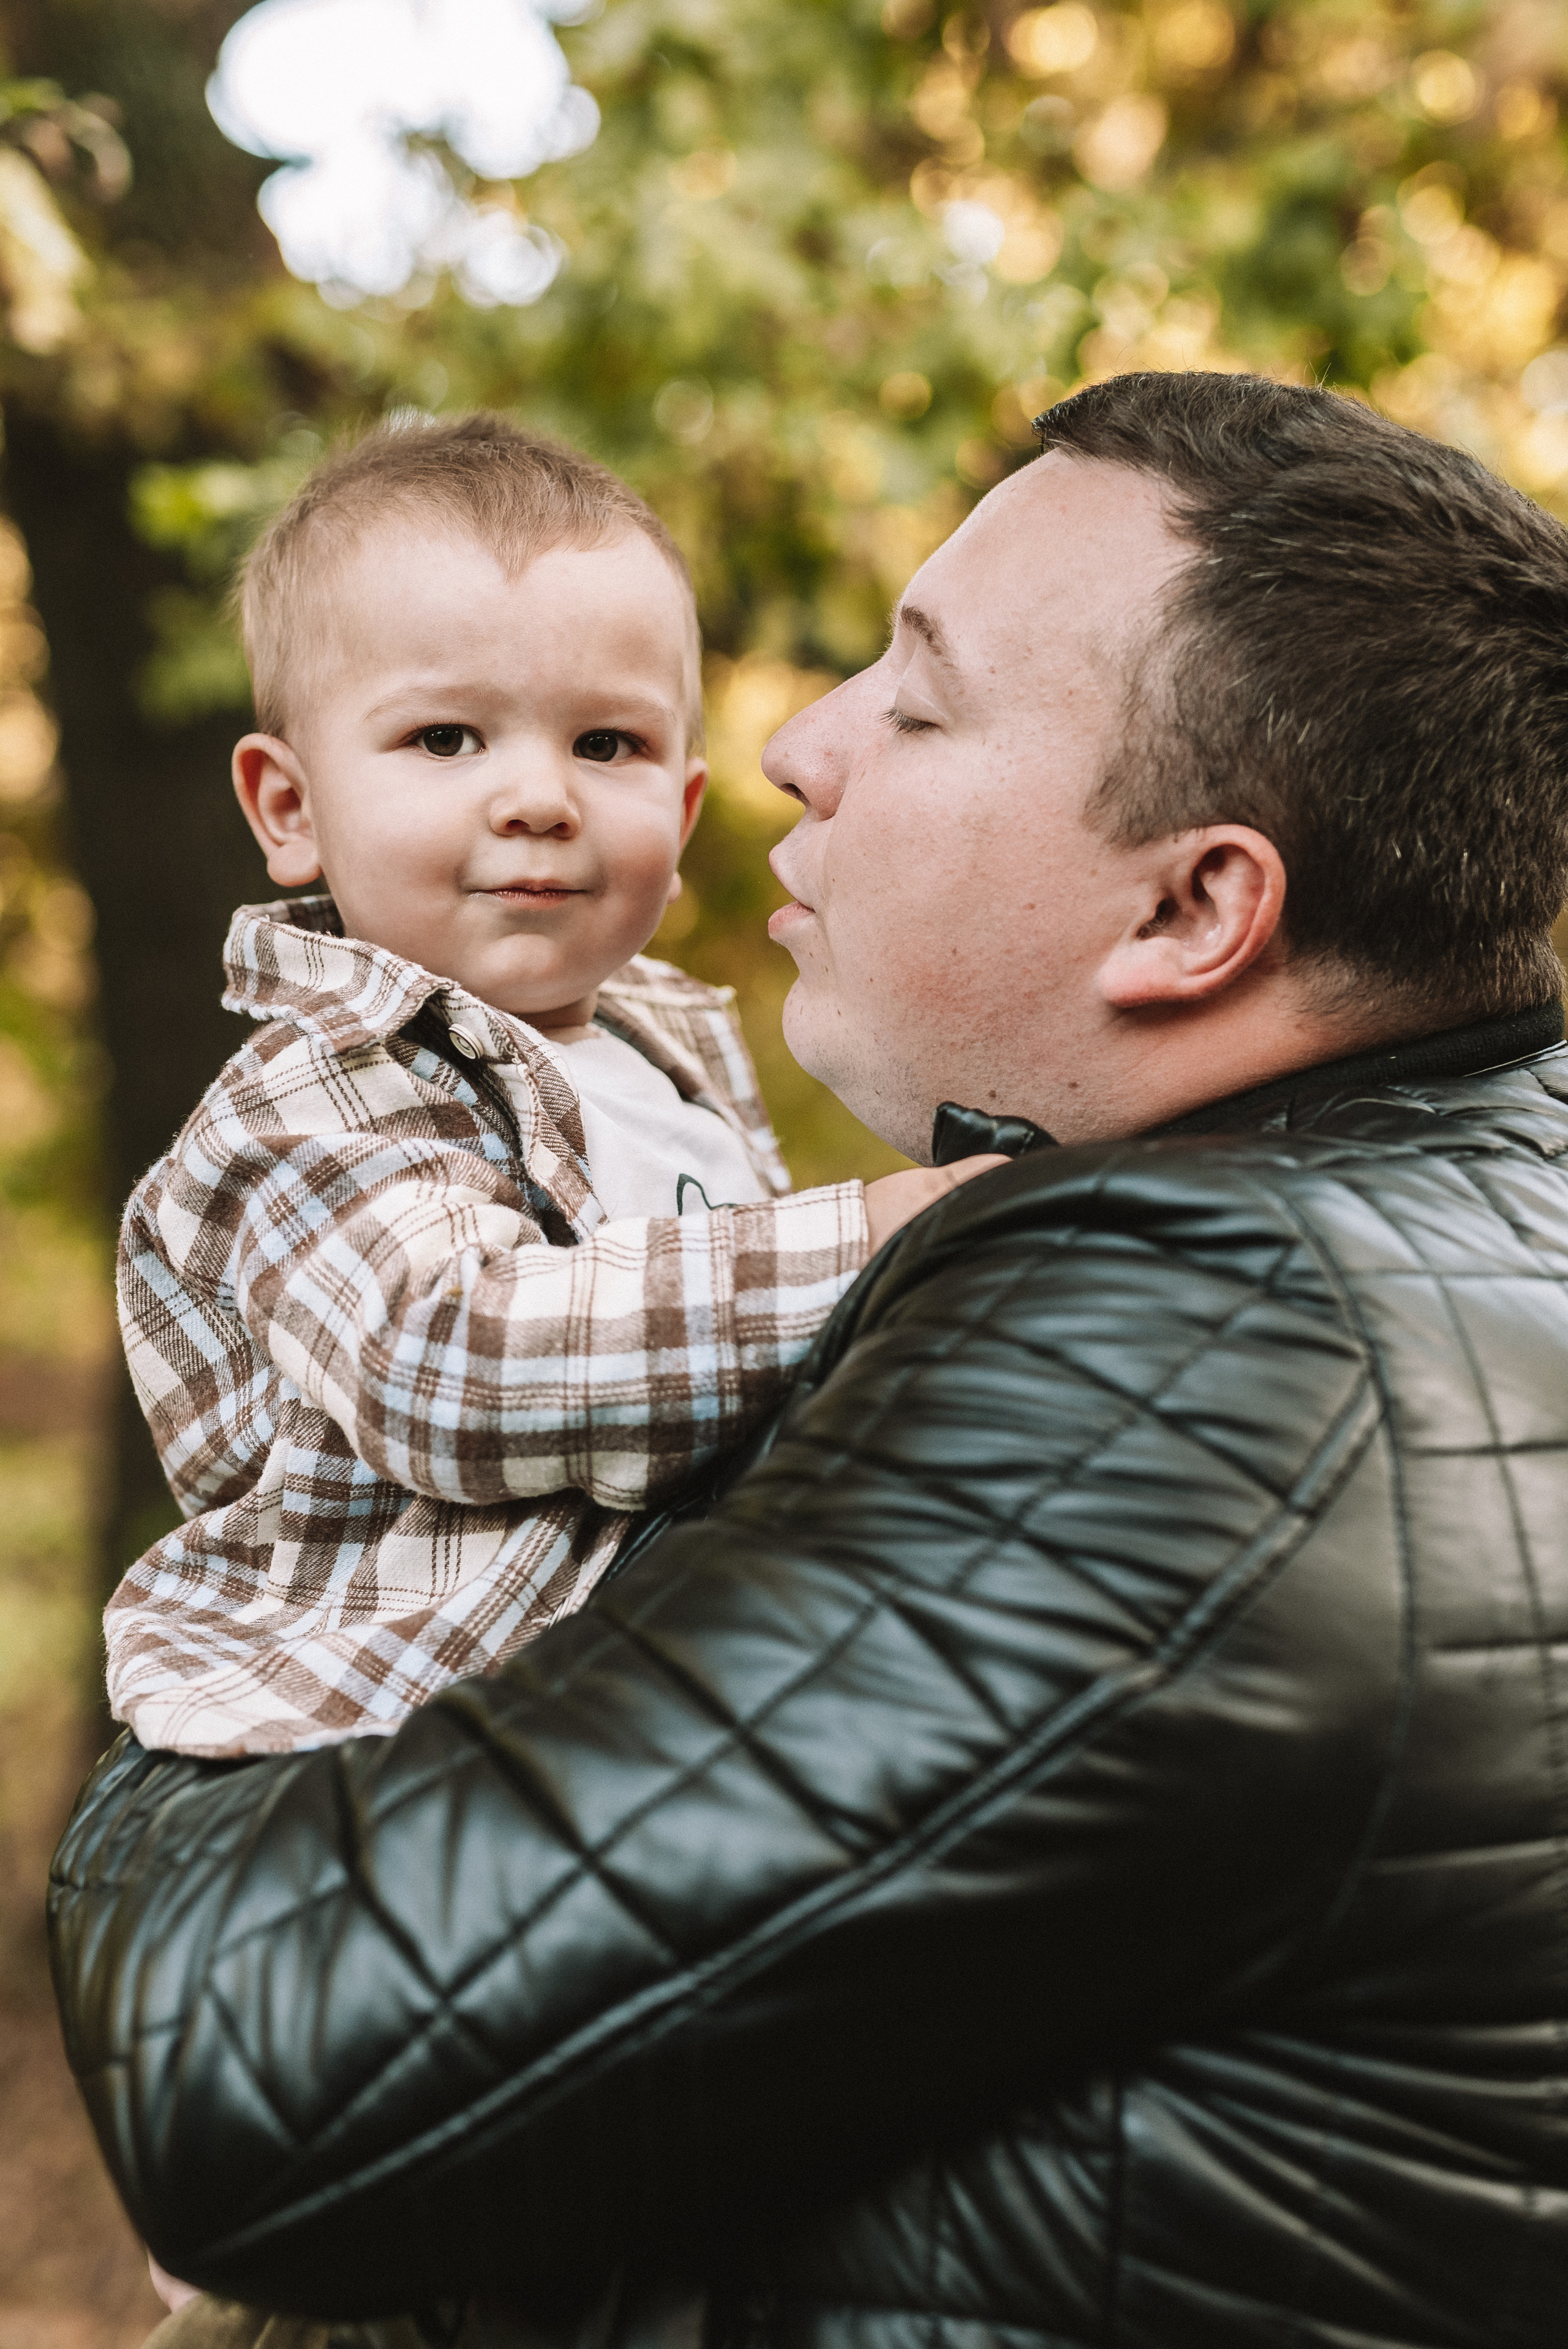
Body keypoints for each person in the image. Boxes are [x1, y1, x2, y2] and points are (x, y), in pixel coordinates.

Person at [51, 371, 1568, 2349]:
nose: (794, 744)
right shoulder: (1473, 1184)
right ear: (290, 800)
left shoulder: (1194, 1332)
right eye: (446, 734)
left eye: (917, 701)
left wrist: (132, 1829)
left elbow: (251, 2082)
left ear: (1197, 905)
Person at [104, 413, 993, 1760]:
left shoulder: (666, 1054)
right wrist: (871, 1237)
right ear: (288, 807)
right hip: (397, 1741)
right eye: (448, 738)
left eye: (606, 746)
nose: (538, 797)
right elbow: (448, 1366)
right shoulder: (315, 1098)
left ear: (683, 815)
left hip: (652, 1692)